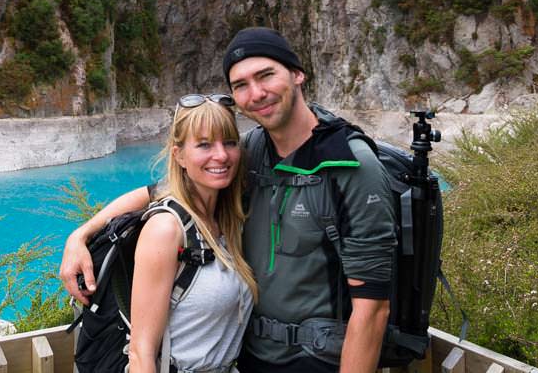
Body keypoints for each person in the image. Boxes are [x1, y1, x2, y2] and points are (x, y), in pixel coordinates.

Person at [62, 28, 396, 373]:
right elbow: (161, 192)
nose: (257, 93)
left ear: (297, 74)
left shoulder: (350, 165)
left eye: (266, 75)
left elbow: (372, 310)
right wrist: (80, 235)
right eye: (241, 85)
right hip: (252, 359)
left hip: (318, 362)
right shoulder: (249, 151)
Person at [127, 94, 256, 373]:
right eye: (205, 145)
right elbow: (140, 352)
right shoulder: (166, 229)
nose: (221, 155)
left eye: (230, 142)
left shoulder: (228, 220)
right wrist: (79, 237)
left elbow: (149, 192)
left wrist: (83, 232)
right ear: (180, 155)